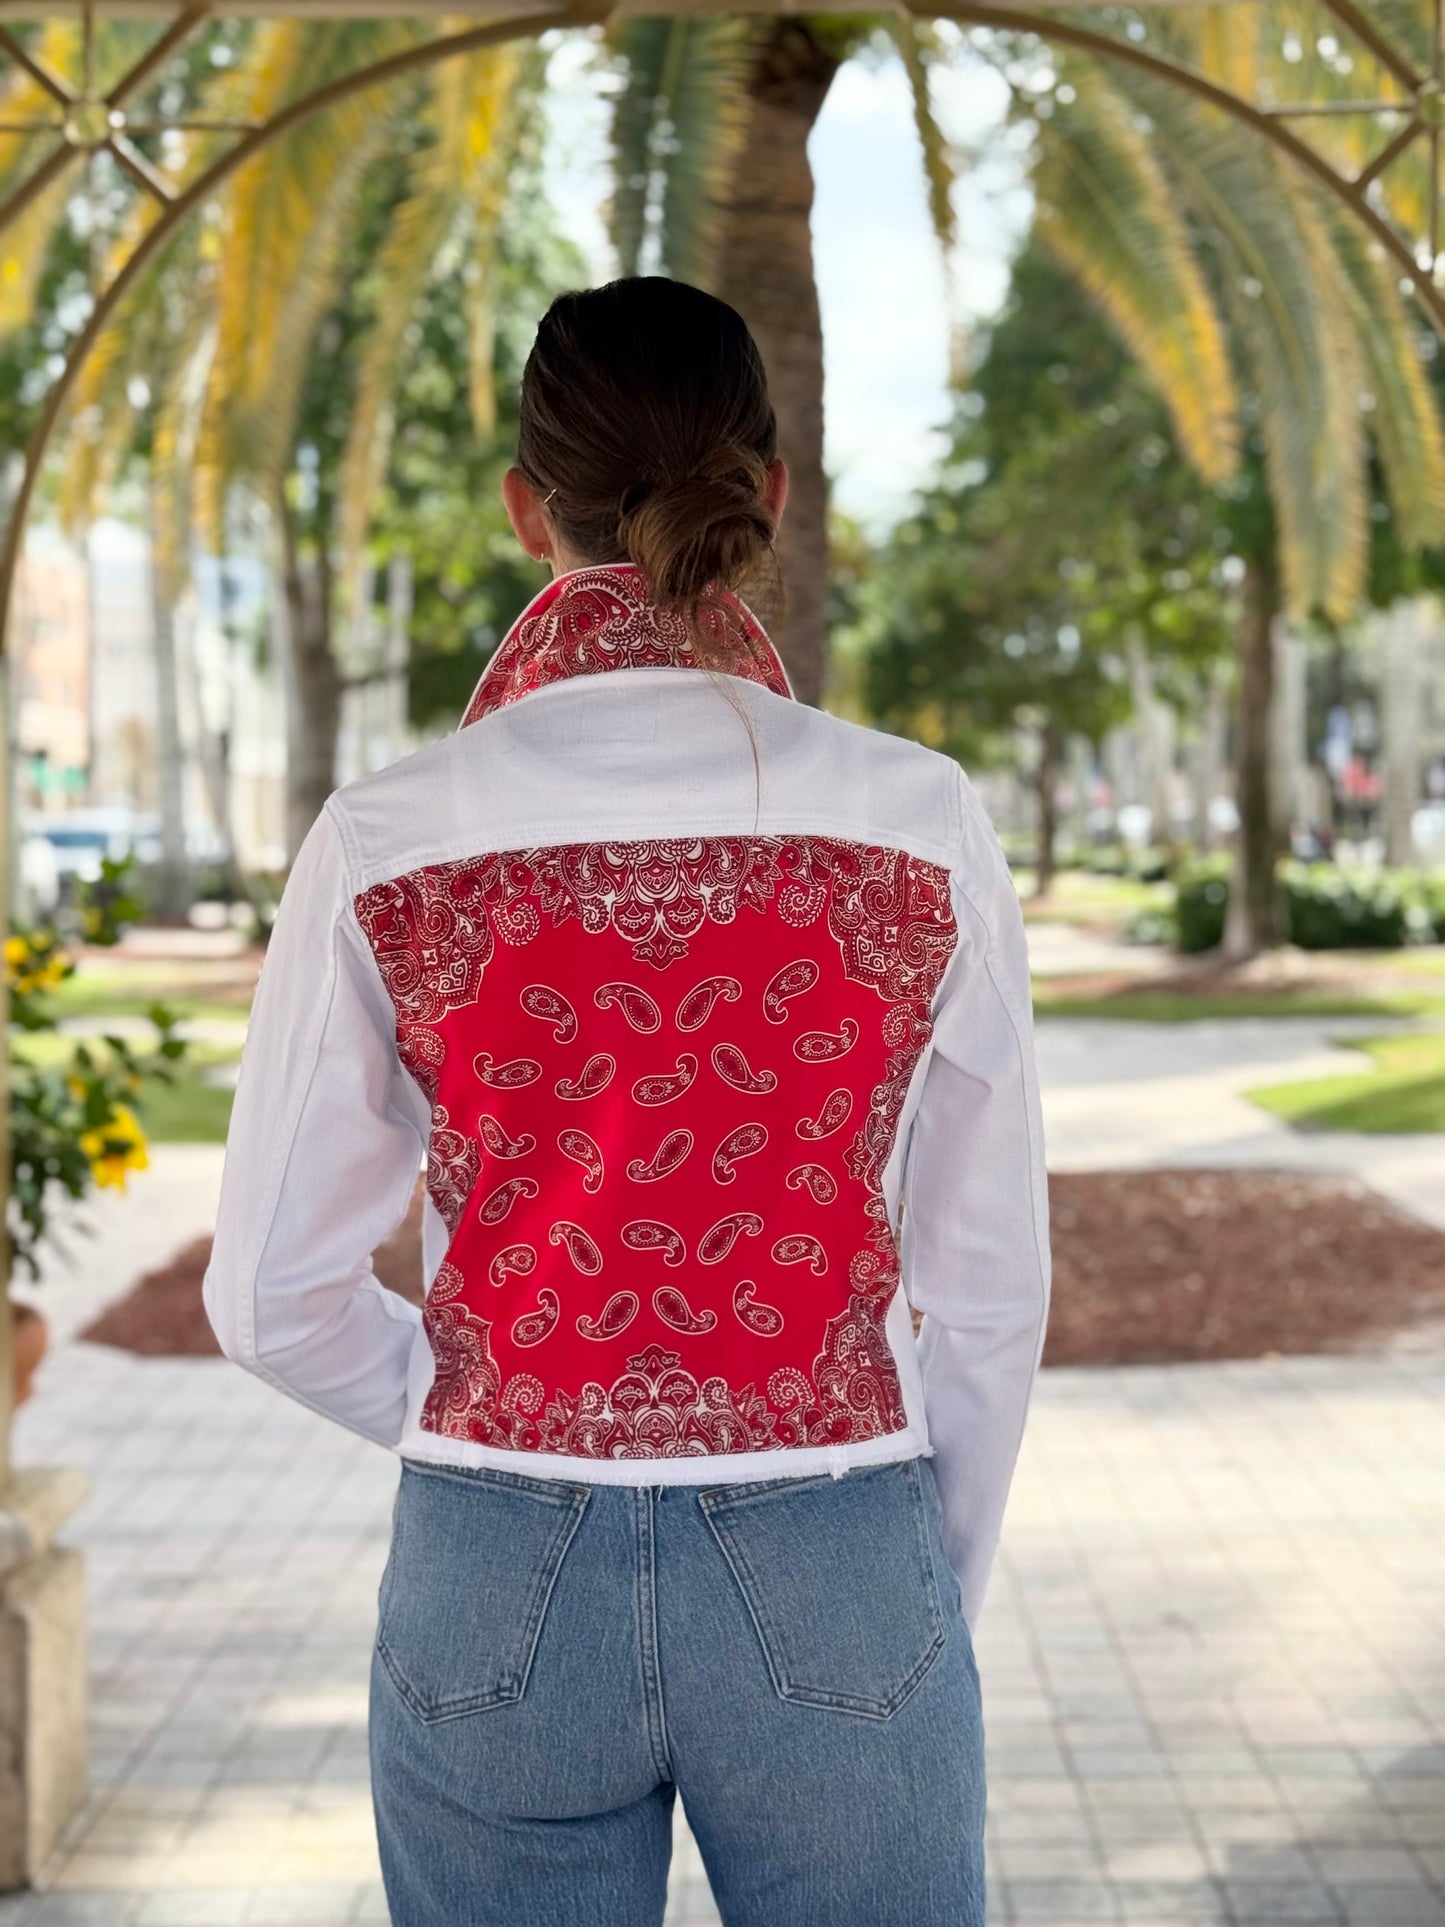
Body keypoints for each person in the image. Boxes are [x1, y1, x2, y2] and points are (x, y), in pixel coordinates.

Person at [204, 276, 1051, 1927]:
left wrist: (480, 1428)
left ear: (530, 510)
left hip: (488, 1579)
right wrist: (908, 1579)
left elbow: (266, 1297)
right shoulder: (916, 819)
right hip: (840, 1539)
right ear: (771, 492)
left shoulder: (389, 838)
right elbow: (989, 1288)